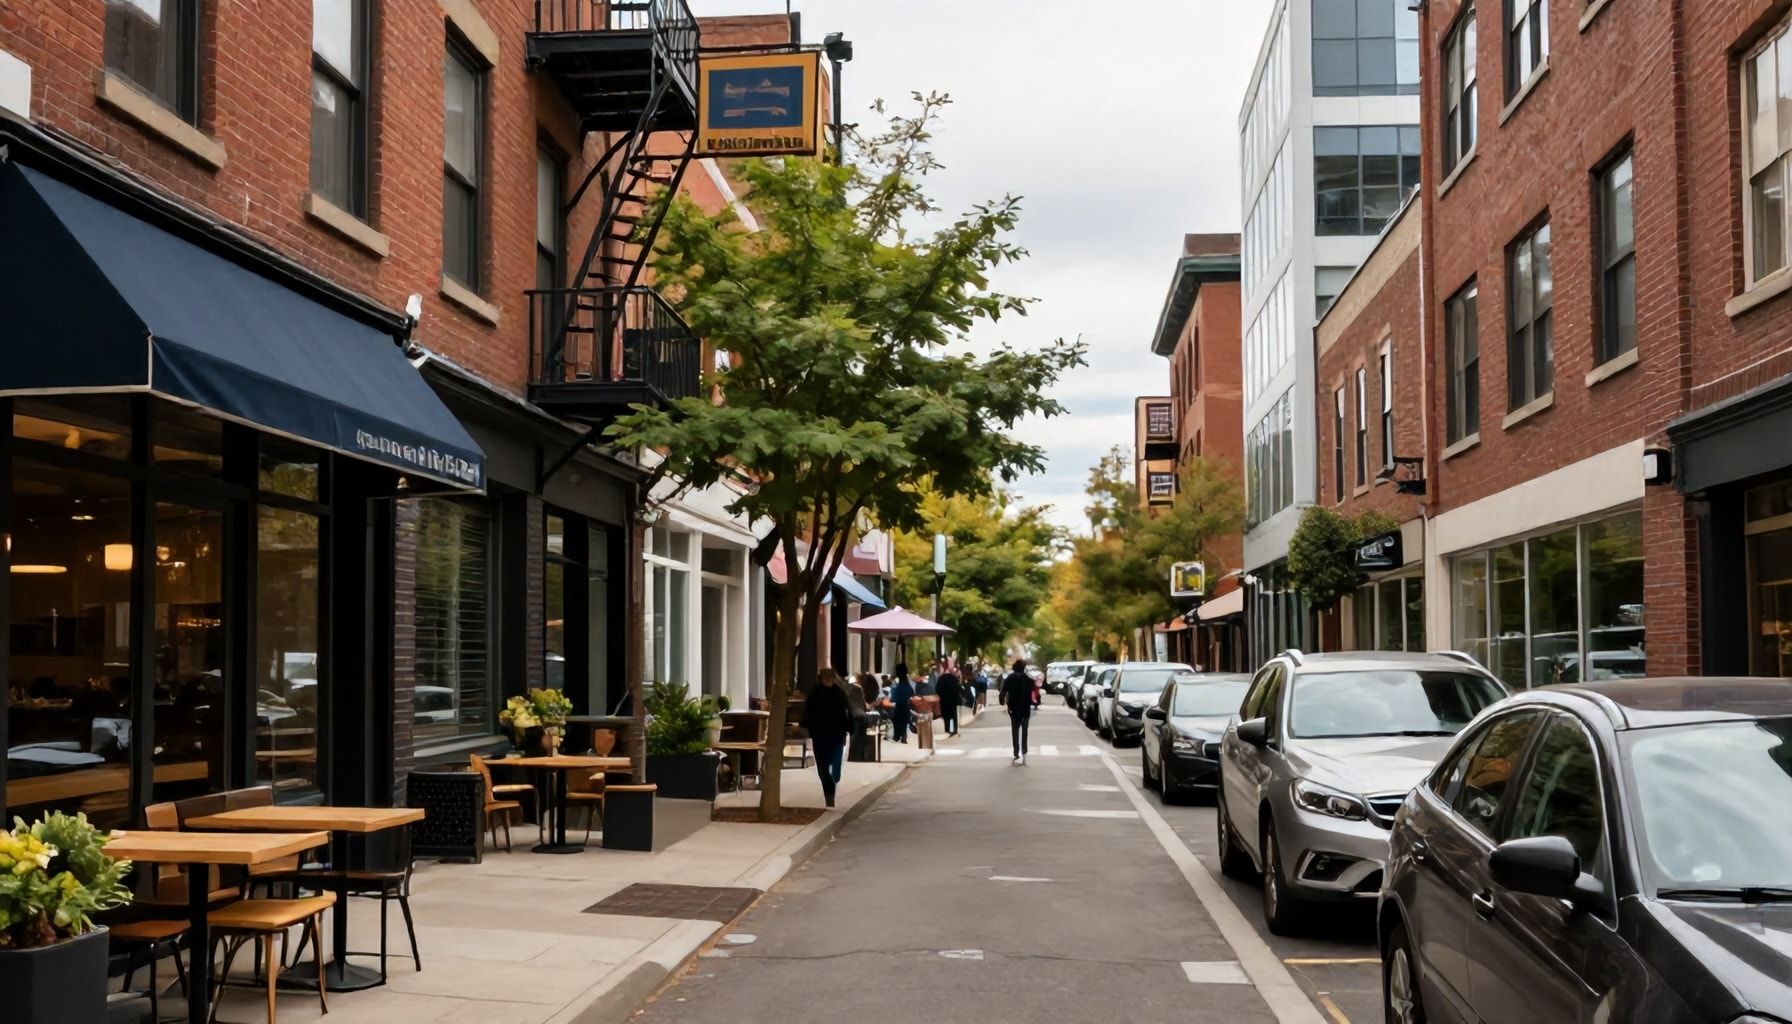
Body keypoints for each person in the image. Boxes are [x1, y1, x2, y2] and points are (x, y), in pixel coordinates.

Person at [805, 668, 853, 807]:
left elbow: (847, 712)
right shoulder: (814, 694)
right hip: (820, 734)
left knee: (835, 761)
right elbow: (809, 712)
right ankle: (829, 795)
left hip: (836, 734)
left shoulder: (839, 694)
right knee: (823, 767)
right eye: (826, 678)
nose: (828, 680)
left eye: (830, 678)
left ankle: (832, 783)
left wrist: (849, 728)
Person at [998, 658, 1039, 765]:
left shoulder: (1010, 678)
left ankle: (1016, 752)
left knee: (1015, 730)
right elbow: (1033, 693)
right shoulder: (1028, 680)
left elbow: (1003, 691)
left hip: (1014, 708)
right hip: (1025, 708)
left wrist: (1002, 701)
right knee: (1024, 731)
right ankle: (1024, 751)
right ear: (1024, 668)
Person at [888, 665, 916, 743]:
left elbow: (894, 694)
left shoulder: (897, 682)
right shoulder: (906, 681)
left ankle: (897, 735)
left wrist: (893, 698)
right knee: (903, 720)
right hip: (905, 705)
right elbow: (911, 692)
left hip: (899, 705)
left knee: (897, 719)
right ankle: (903, 735)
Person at [936, 666, 963, 737]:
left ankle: (947, 731)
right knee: (955, 717)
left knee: (946, 718)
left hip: (945, 703)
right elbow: (958, 689)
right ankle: (955, 731)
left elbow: (937, 690)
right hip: (954, 702)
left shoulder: (941, 679)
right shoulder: (954, 679)